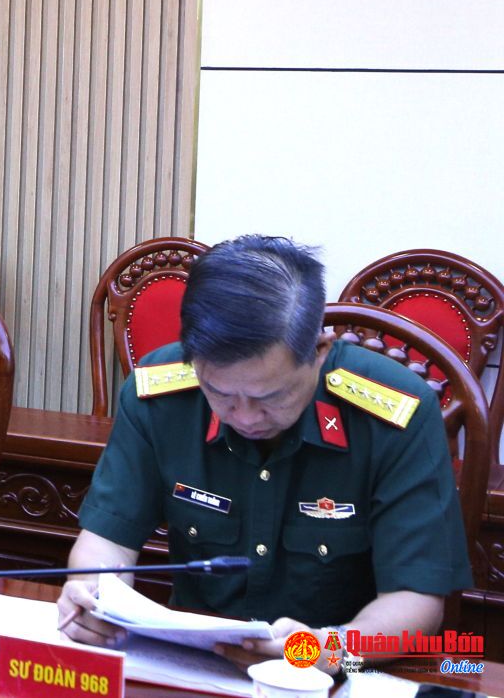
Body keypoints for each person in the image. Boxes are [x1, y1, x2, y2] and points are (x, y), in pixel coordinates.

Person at [58, 235, 472, 662]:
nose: (245, 416)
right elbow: (106, 542)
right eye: (220, 393)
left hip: (336, 674)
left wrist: (321, 651)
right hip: (195, 664)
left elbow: (415, 603)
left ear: (319, 351)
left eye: (270, 397)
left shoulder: (393, 414)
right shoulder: (158, 396)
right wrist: (92, 595)